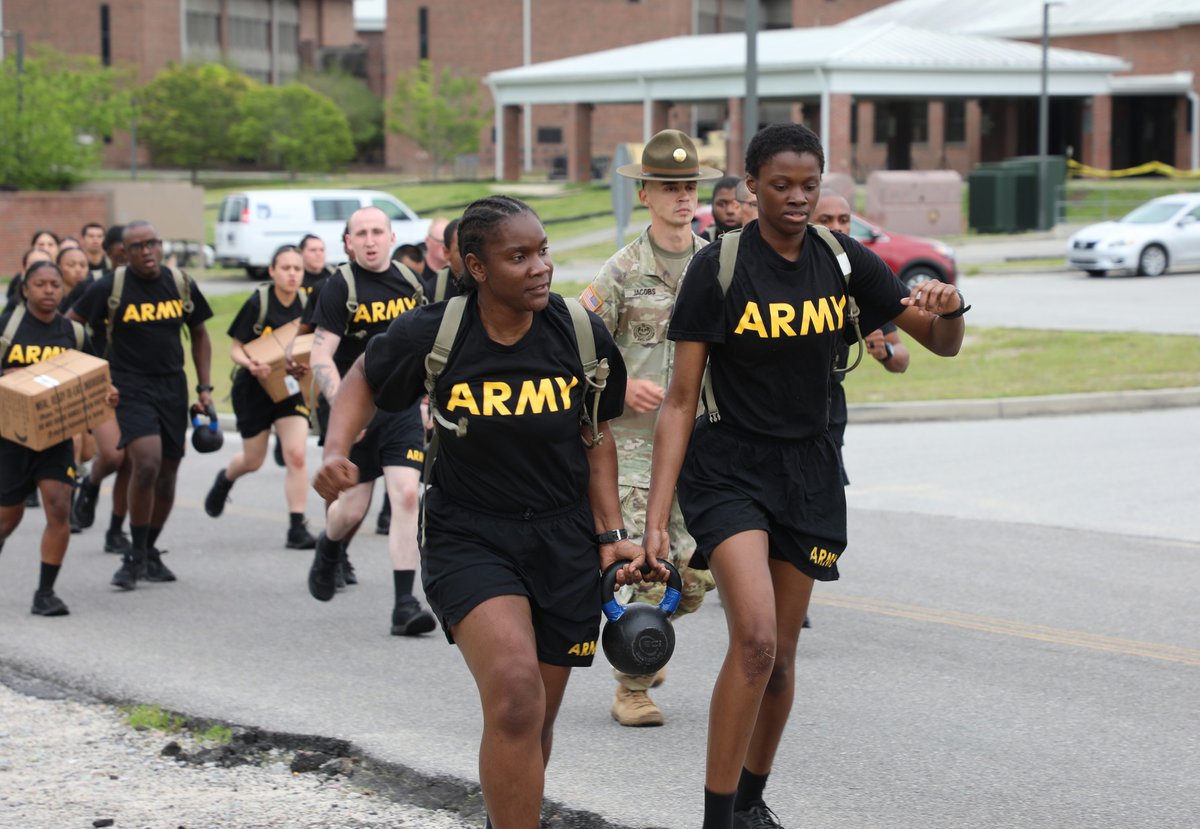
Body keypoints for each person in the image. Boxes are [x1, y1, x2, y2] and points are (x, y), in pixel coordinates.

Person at [643, 123, 968, 829]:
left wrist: (953, 309)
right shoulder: (720, 267)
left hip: (810, 469)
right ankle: (717, 817)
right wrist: (653, 526)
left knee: (782, 660)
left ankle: (753, 799)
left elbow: (936, 343)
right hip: (730, 465)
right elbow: (677, 400)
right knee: (754, 638)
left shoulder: (841, 258)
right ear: (751, 186)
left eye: (809, 185)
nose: (796, 198)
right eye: (781, 185)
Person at [313, 195, 655, 829]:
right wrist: (336, 449)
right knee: (516, 700)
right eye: (518, 256)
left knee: (532, 721)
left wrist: (612, 535)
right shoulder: (438, 331)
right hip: (470, 535)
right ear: (475, 266)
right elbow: (362, 374)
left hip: (563, 540)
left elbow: (596, 438)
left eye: (543, 251)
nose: (539, 268)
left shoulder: (578, 332)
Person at [582, 127, 719, 727]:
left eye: (689, 186)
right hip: (636, 447)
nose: (682, 198)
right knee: (646, 569)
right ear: (645, 195)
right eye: (669, 187)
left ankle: (649, 633)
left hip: (704, 449)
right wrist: (618, 386)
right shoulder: (621, 272)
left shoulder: (718, 263)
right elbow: (578, 347)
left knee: (694, 583)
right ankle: (632, 685)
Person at [305, 205, 435, 635]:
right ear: (348, 242)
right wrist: (343, 406)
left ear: (392, 236)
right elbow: (320, 352)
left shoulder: (411, 282)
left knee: (407, 496)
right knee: (351, 509)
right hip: (355, 413)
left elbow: (426, 348)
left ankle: (404, 604)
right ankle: (329, 548)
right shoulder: (339, 287)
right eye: (360, 233)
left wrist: (430, 399)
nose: (370, 240)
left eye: (377, 231)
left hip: (400, 410)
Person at [70, 220, 215, 590]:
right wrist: (92, 375)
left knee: (168, 474)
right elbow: (71, 324)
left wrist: (204, 387)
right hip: (128, 386)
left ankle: (147, 550)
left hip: (173, 386)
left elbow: (199, 333)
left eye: (152, 243)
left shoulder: (180, 283)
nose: (147, 251)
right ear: (125, 252)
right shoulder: (111, 286)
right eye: (138, 246)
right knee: (146, 461)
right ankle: (133, 553)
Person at [0, 261, 117, 616]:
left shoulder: (73, 333)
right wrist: (12, 376)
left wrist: (108, 393)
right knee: (7, 518)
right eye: (40, 284)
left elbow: (94, 375)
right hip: (10, 439)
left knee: (59, 502)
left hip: (55, 437)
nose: (49, 290)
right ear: (26, 289)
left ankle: (45, 593)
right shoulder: (8, 328)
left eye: (55, 284)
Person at [203, 245, 316, 549]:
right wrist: (251, 364)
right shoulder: (260, 302)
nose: (292, 274)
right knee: (254, 460)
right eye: (286, 268)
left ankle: (297, 527)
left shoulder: (307, 304)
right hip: (253, 389)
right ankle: (226, 478)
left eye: (297, 269)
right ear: (272, 271)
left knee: (296, 454)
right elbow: (236, 347)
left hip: (288, 389)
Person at [812, 191, 911, 484]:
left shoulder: (858, 282)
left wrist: (885, 353)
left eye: (844, 220)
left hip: (829, 408)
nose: (838, 227)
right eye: (826, 219)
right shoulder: (790, 273)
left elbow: (902, 359)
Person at [69, 224, 134, 551]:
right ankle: (91, 484)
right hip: (100, 381)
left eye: (132, 251)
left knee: (133, 460)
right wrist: (86, 368)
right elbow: (68, 326)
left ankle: (116, 530)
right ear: (107, 253)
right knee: (112, 454)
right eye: (120, 253)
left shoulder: (147, 287)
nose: (127, 258)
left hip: (138, 384)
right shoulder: (95, 287)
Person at [705, 176, 742, 242]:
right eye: (721, 204)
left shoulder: (761, 241)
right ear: (712, 206)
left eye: (737, 204)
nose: (730, 211)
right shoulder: (701, 245)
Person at [299, 234, 332, 299]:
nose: (318, 254)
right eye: (313, 250)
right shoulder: (295, 277)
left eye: (322, 250)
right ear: (301, 253)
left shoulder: (333, 276)